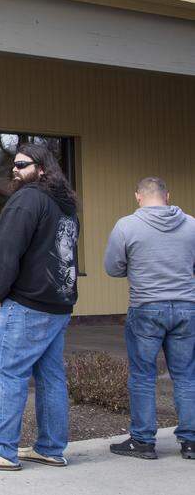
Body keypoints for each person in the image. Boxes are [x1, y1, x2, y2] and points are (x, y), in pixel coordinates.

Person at [0, 143, 79, 471]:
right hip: (58, 306)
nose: (15, 169)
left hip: (26, 305)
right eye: (14, 163)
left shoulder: (27, 200)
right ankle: (51, 448)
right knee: (51, 376)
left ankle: (2, 450)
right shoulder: (65, 206)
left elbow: (5, 252)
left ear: (42, 169)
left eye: (22, 164)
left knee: (9, 373)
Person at [104, 176, 195, 461]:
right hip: (186, 307)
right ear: (168, 196)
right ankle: (191, 442)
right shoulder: (192, 224)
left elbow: (112, 267)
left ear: (138, 197)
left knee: (143, 376)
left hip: (146, 307)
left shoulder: (126, 225)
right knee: (186, 375)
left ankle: (143, 441)